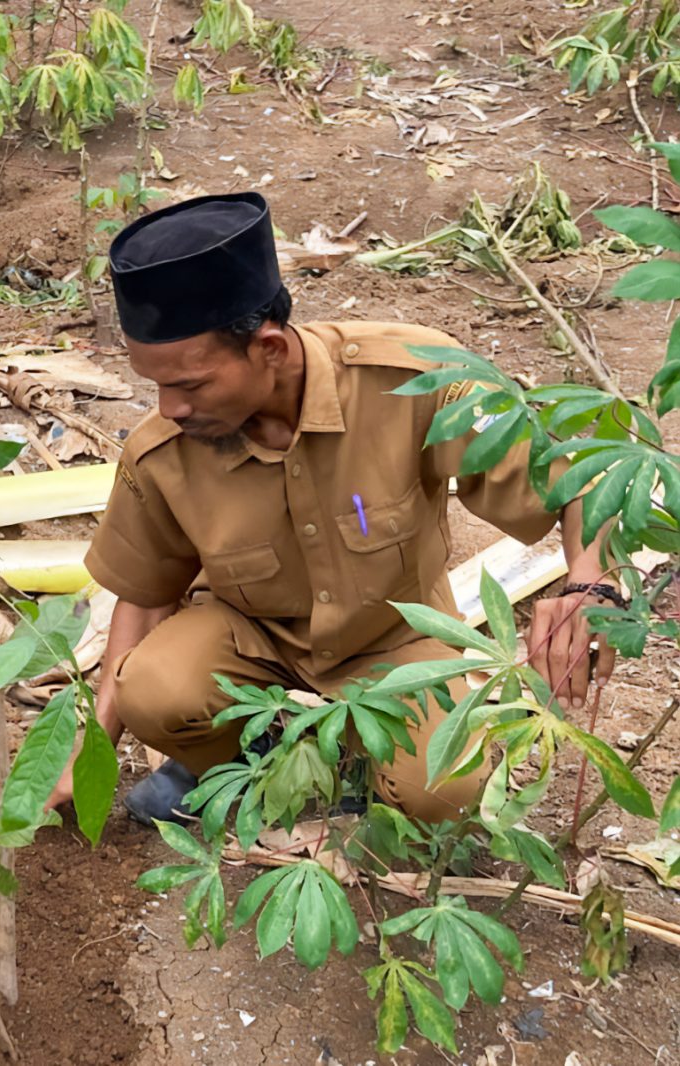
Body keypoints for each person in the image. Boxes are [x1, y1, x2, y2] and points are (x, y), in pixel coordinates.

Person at [45, 192, 614, 825]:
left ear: (269, 349)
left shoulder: (418, 381)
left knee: (447, 789)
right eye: (156, 384)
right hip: (246, 640)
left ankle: (344, 762)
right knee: (153, 687)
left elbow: (577, 484)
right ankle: (241, 757)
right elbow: (146, 596)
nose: (169, 407)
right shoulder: (163, 451)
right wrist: (89, 753)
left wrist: (590, 583)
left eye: (189, 384)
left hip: (395, 639)